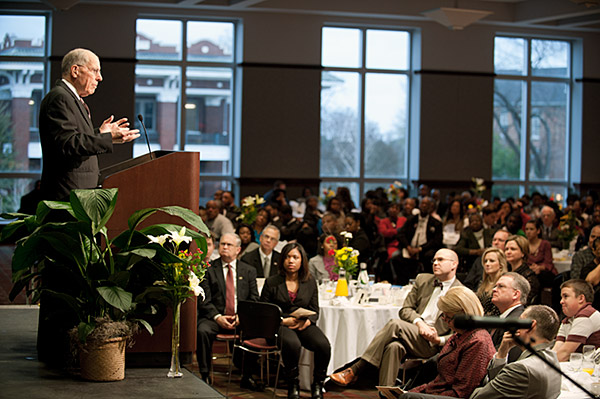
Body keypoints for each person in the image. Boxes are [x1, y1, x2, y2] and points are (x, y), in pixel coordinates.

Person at [329, 249, 462, 387]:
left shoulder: (461, 292)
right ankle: (385, 394)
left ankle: (356, 369)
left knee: (395, 325)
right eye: (434, 260)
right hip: (415, 332)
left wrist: (438, 340)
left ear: (454, 265)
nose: (435, 263)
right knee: (393, 347)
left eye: (440, 260)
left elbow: (459, 333)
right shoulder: (423, 279)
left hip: (435, 344)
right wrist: (419, 323)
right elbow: (405, 309)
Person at [39, 48, 140, 201]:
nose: (99, 78)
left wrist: (100, 133)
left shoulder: (71, 98)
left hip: (77, 194)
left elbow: (75, 138)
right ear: (75, 71)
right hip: (67, 195)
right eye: (95, 71)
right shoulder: (60, 97)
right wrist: (107, 138)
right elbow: (67, 144)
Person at [260, 243, 331, 399]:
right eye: (287, 257)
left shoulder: (309, 281)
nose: (291, 261)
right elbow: (264, 311)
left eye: (295, 257)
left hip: (302, 323)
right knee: (293, 344)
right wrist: (283, 321)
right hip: (279, 325)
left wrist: (307, 322)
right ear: (282, 260)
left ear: (302, 261)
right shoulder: (272, 282)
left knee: (323, 345)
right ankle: (293, 383)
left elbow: (315, 309)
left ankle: (318, 384)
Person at [399, 287, 496, 399]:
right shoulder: (459, 335)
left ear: (463, 315)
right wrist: (411, 391)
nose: (444, 320)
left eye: (448, 317)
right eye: (443, 316)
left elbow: (462, 392)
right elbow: (440, 382)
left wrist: (418, 394)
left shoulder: (478, 342)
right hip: (439, 392)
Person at [196, 233, 260, 387]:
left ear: (238, 249)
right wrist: (217, 317)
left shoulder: (249, 270)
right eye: (222, 244)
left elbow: (254, 299)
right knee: (202, 330)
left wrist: (242, 316)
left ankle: (247, 375)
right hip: (216, 317)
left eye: (229, 245)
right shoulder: (209, 269)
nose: (224, 247)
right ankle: (205, 374)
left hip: (241, 318)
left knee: (257, 329)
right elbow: (204, 299)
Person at [470, 305, 562, 399]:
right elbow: (497, 387)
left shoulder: (521, 369)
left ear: (531, 325)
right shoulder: (553, 360)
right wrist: (502, 353)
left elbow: (479, 397)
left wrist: (476, 391)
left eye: (520, 320)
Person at [552, 279, 600, 361]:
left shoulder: (586, 316)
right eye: (561, 297)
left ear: (581, 298)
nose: (561, 301)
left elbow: (565, 354)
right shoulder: (567, 320)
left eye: (565, 296)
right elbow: (557, 349)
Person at [490, 272, 530, 361]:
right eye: (495, 286)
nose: (494, 289)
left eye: (501, 286)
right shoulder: (503, 316)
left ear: (515, 294)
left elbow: (510, 358)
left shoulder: (518, 321)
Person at [504, 235, 539, 305]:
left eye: (513, 249)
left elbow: (524, 303)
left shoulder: (529, 277)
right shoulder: (505, 272)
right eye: (506, 249)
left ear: (523, 253)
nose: (508, 252)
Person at [476, 248, 509, 316]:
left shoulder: (504, 284)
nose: (487, 264)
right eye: (485, 261)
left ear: (500, 264)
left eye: (492, 261)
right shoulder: (482, 282)